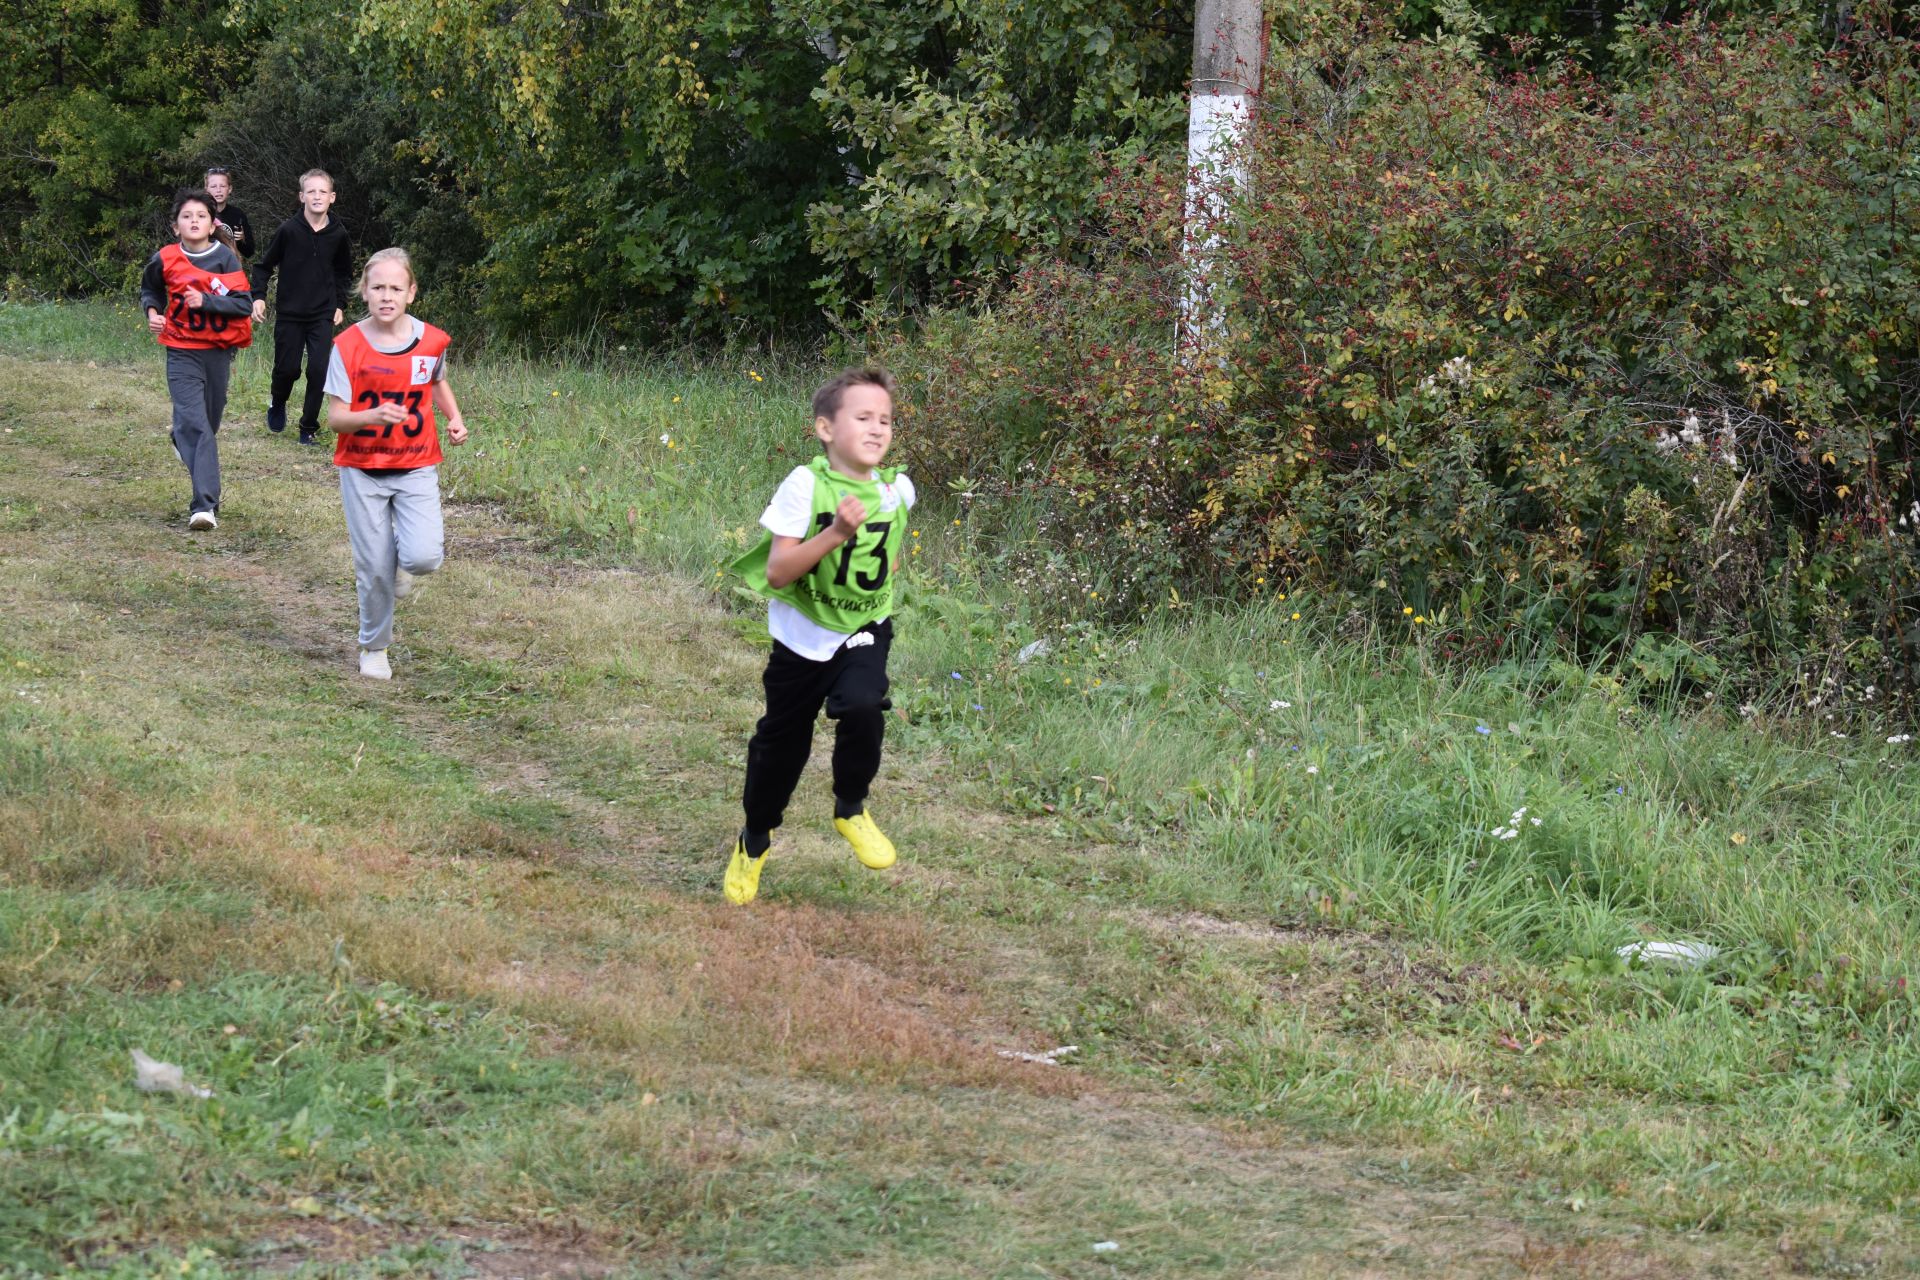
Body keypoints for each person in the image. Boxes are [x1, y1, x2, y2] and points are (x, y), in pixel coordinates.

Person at [724, 367, 915, 905]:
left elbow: (888, 559)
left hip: (863, 627)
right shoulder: (805, 485)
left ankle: (851, 807)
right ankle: (754, 840)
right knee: (779, 749)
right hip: (801, 641)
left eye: (886, 420)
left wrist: (865, 588)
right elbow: (780, 571)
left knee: (861, 705)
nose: (878, 429)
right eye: (863, 418)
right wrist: (836, 534)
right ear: (826, 429)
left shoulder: (898, 490)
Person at [323, 247, 468, 680]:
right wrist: (372, 415)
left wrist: (454, 418)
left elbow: (436, 380)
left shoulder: (432, 340)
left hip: (416, 464)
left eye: (395, 288)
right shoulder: (346, 346)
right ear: (364, 292)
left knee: (424, 557)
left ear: (411, 293)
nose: (387, 295)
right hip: (362, 470)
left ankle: (404, 565)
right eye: (378, 287)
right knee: (373, 569)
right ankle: (374, 648)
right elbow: (335, 417)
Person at [138, 189, 254, 530]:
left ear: (210, 223)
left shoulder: (225, 259)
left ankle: (180, 437)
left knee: (208, 425)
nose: (193, 221)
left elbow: (243, 305)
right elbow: (150, 290)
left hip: (217, 353)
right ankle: (204, 506)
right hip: (181, 350)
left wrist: (206, 302)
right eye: (186, 216)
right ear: (176, 226)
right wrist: (152, 311)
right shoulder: (165, 258)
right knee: (198, 426)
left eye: (200, 216)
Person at [251, 169, 351, 445]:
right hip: (290, 313)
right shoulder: (288, 230)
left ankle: (308, 427)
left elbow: (344, 273)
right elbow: (263, 266)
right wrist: (258, 296)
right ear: (301, 196)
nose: (316, 196)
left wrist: (340, 304)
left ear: (332, 197)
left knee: (319, 370)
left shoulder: (338, 234)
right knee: (288, 369)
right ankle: (278, 401)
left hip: (322, 313)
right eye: (311, 191)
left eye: (322, 192)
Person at [202, 167, 254, 261]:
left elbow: (249, 252)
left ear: (229, 189)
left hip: (230, 269)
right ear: (206, 189)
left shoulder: (238, 215)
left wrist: (241, 241)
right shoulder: (201, 215)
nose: (218, 190)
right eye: (213, 186)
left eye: (222, 186)